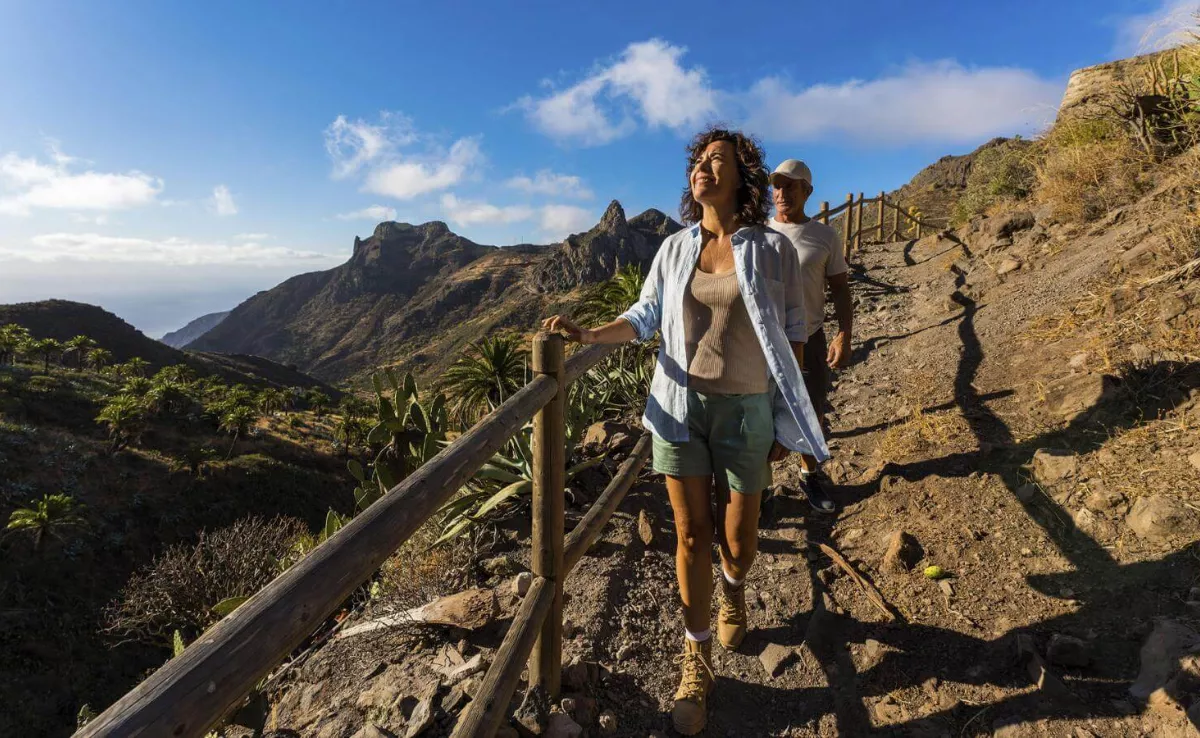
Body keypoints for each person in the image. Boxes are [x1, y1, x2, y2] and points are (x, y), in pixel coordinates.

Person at [542, 127, 828, 735]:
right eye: (699, 161)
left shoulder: (771, 248)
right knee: (692, 535)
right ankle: (695, 657)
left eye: (717, 160)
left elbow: (795, 331)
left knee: (739, 537)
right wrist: (590, 336)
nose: (703, 167)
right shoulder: (673, 249)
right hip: (678, 409)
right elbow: (644, 314)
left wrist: (786, 415)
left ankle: (733, 586)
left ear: (741, 178)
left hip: (747, 409)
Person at [767, 159, 853, 514]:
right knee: (760, 413)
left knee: (811, 409)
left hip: (811, 336)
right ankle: (760, 488)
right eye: (777, 185)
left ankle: (809, 473)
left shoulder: (824, 236)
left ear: (808, 191)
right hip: (764, 340)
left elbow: (840, 289)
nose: (782, 192)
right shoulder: (758, 232)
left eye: (791, 185)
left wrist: (843, 334)